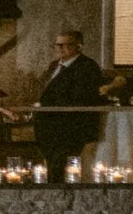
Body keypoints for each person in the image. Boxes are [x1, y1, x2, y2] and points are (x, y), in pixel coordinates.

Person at [33, 29, 107, 180]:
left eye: (65, 45)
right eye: (57, 45)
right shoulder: (54, 65)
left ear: (78, 46)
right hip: (48, 125)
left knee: (65, 167)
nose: (60, 48)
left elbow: (83, 96)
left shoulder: (87, 67)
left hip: (69, 126)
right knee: (51, 164)